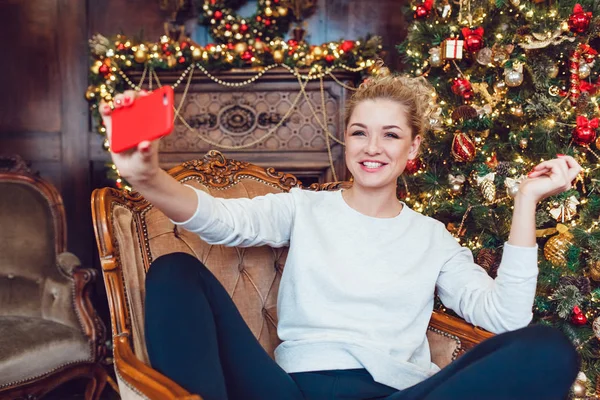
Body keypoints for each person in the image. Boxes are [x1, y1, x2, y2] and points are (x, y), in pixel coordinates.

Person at [100, 74, 581, 400]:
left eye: (391, 135)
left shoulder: (433, 238)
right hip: (292, 390)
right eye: (359, 133)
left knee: (547, 348)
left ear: (413, 146)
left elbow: (506, 316)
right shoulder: (303, 207)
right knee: (174, 271)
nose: (372, 148)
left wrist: (526, 202)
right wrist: (146, 178)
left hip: (399, 393)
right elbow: (222, 220)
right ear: (345, 140)